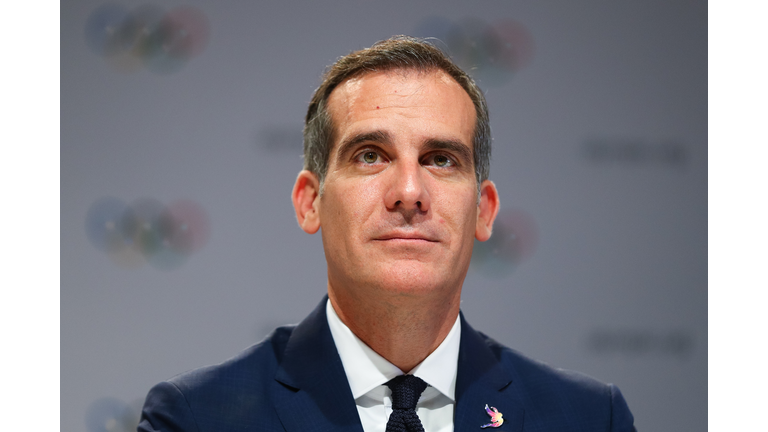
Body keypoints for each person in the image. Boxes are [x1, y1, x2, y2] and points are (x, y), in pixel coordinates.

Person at [138, 36, 636, 432]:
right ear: (311, 201)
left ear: (484, 212)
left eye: (441, 160)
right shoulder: (197, 418)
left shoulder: (591, 418)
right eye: (370, 155)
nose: (409, 191)